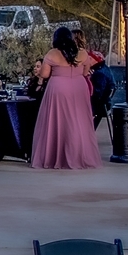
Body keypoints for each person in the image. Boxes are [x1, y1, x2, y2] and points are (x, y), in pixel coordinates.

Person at [30, 25, 101, 169]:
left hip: (59, 87)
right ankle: (80, 154)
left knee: (58, 121)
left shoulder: (52, 53)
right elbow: (86, 72)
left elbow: (44, 74)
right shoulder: (82, 53)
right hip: (79, 87)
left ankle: (55, 155)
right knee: (79, 121)